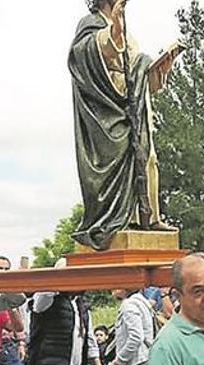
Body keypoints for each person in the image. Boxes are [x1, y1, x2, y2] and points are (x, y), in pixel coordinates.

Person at [68, 0, 180, 250]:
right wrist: (114, 31)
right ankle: (120, 219)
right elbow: (84, 57)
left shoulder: (129, 34)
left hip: (134, 106)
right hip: (107, 110)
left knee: (147, 158)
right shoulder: (90, 24)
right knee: (119, 158)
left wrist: (159, 67)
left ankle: (148, 217)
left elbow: (138, 76)